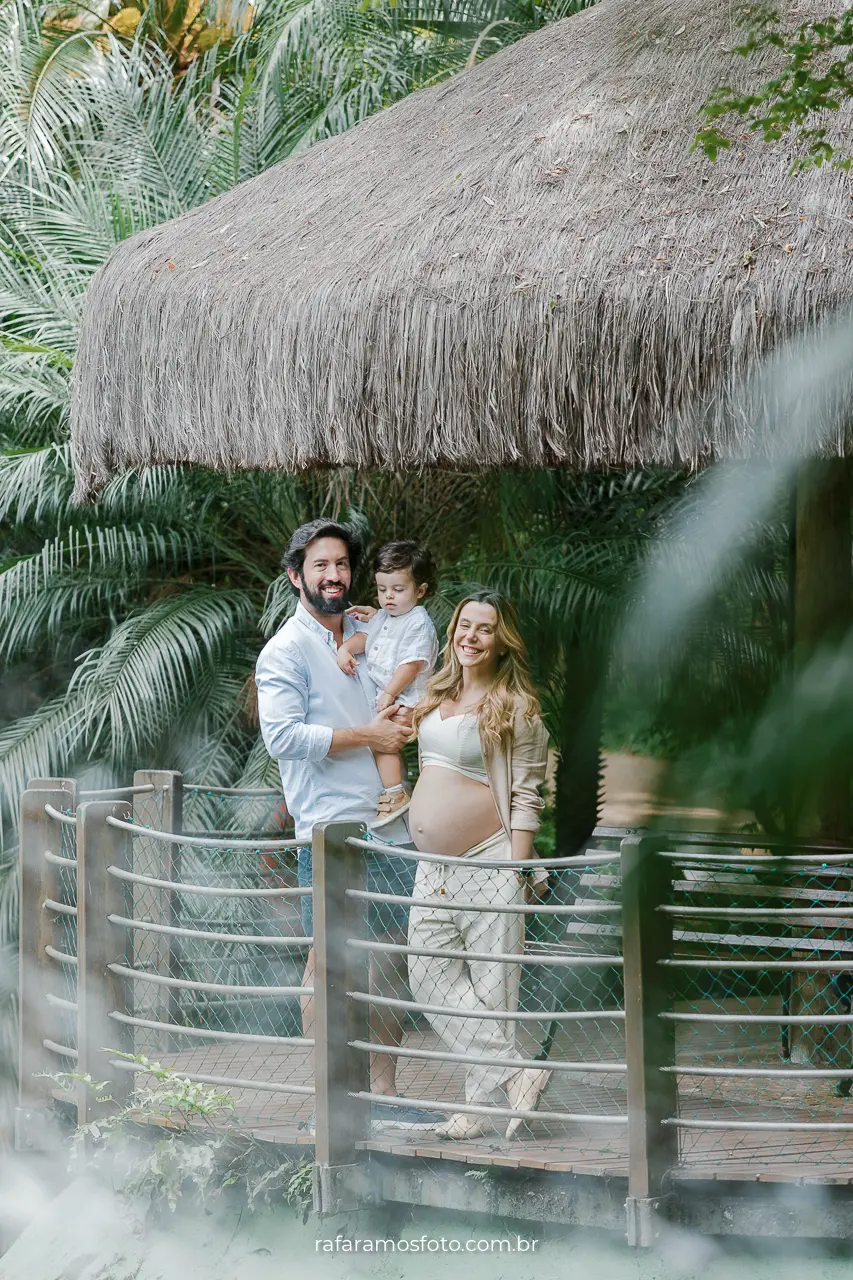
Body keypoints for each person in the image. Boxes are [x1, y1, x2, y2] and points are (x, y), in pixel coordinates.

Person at [255, 518, 443, 1130]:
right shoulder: (287, 650)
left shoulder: (373, 630)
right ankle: (332, 1103)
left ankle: (382, 1096)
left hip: (389, 824)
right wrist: (370, 735)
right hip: (332, 831)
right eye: (320, 565)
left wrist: (407, 725)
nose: (333, 574)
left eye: (340, 564)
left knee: (387, 960)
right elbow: (283, 738)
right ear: (296, 576)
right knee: (328, 964)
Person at [407, 591, 551, 1141]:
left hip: (489, 860)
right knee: (427, 975)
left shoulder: (517, 708)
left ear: (502, 641)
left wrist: (516, 871)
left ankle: (475, 1111)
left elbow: (527, 795)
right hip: (433, 866)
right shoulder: (435, 693)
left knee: (492, 988)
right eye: (464, 625)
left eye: (484, 629)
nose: (470, 636)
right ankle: (516, 1073)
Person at [337, 541, 439, 826]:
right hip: (390, 695)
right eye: (382, 590)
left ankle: (396, 795)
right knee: (380, 743)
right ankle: (398, 790)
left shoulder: (418, 622)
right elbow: (368, 638)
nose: (388, 597)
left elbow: (411, 664)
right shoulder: (384, 615)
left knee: (383, 745)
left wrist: (390, 693)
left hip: (408, 696)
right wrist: (345, 649)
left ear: (420, 591)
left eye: (398, 590)